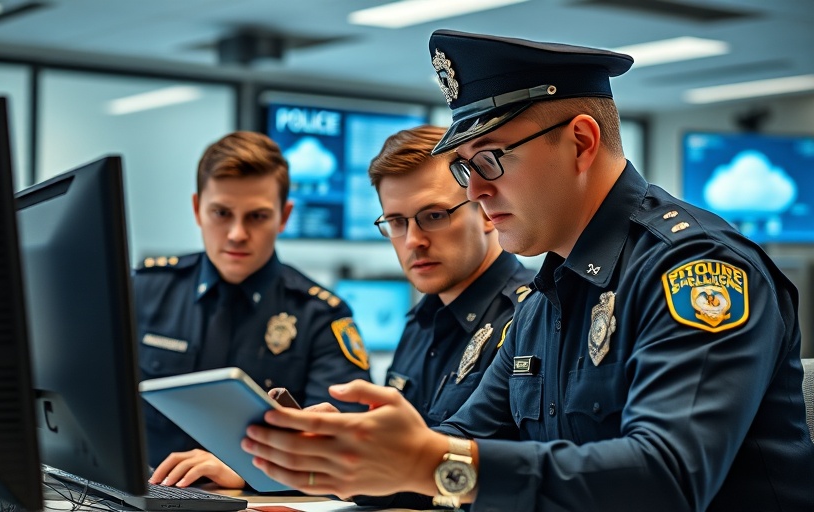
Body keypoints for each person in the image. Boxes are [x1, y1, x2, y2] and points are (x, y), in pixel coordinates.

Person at [240, 30, 814, 511]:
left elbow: (668, 476)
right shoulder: (548, 296)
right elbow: (461, 445)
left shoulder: (696, 270)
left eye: (492, 159)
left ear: (581, 142)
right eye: (465, 169)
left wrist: (429, 461)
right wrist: (349, 454)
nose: (480, 191)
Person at [133, 131, 372, 486]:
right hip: (143, 496)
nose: (236, 234)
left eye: (257, 216)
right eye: (222, 213)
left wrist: (247, 467)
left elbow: (345, 440)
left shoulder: (320, 315)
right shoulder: (143, 290)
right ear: (198, 209)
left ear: (284, 216)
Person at [369, 125, 534, 427]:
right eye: (396, 222)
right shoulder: (420, 323)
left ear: (485, 211)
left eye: (434, 216)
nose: (412, 241)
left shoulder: (532, 318)